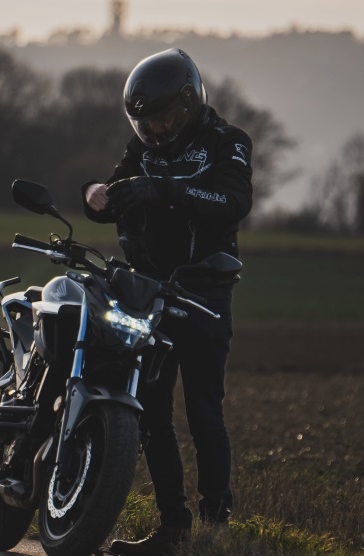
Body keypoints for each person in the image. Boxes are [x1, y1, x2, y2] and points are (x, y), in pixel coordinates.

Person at [81, 49, 253, 556]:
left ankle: (214, 529)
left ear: (191, 100)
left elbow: (233, 204)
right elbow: (115, 193)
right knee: (149, 411)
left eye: (165, 119)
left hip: (203, 292)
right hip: (147, 290)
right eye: (145, 124)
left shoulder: (229, 142)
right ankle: (172, 528)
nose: (156, 131)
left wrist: (165, 190)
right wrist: (95, 194)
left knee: (204, 413)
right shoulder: (144, 149)